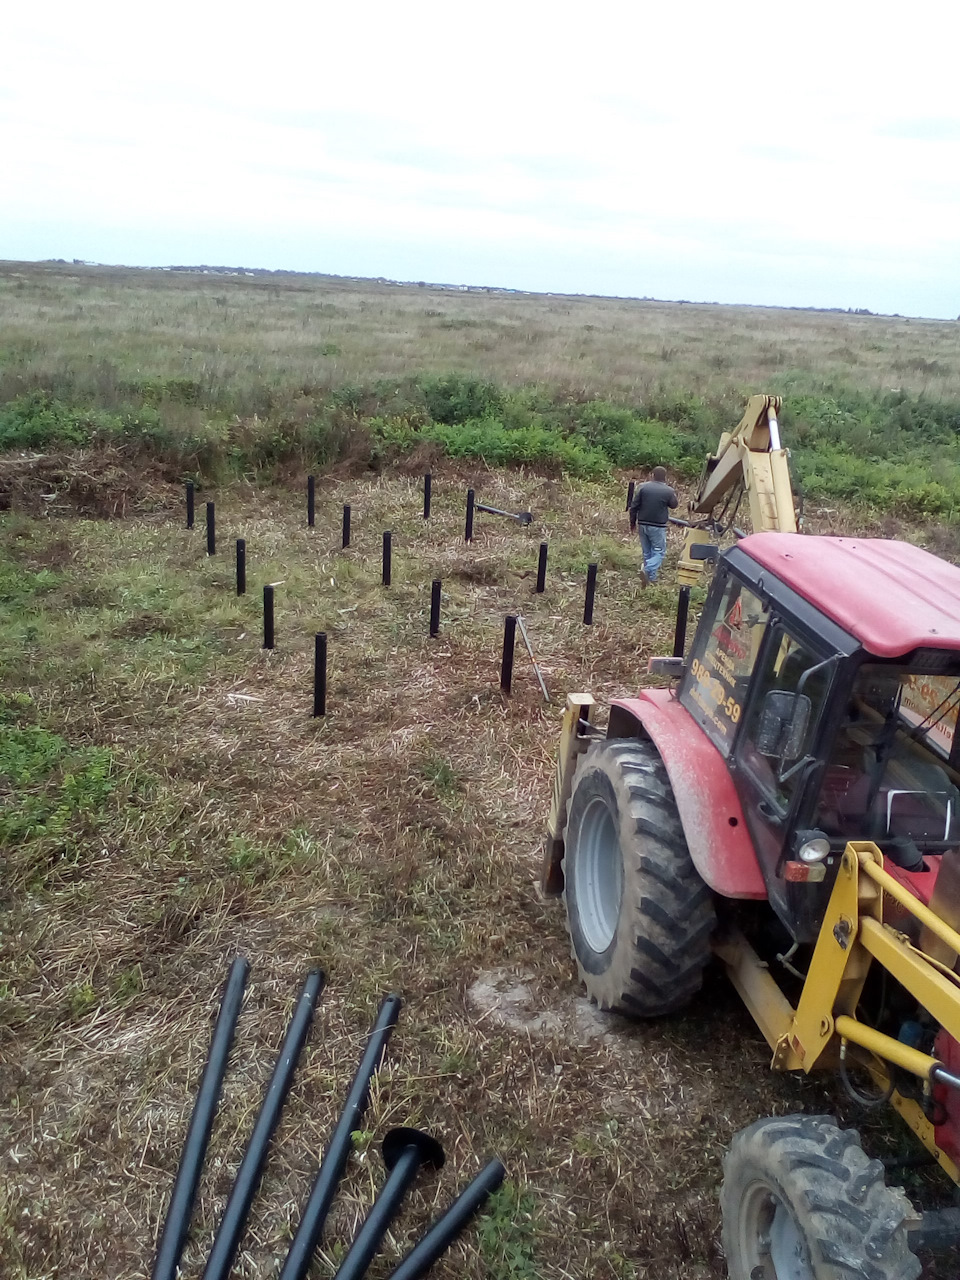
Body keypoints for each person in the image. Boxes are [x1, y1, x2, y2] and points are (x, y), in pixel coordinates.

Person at [629, 465, 678, 585]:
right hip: (657, 526)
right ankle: (647, 569)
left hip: (642, 524)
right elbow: (674, 505)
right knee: (659, 552)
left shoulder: (643, 487)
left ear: (652, 475)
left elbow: (634, 506)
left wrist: (632, 523)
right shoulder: (669, 491)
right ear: (665, 477)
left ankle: (651, 578)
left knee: (647, 552)